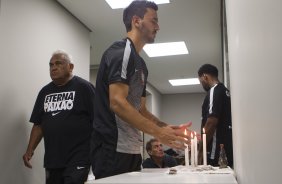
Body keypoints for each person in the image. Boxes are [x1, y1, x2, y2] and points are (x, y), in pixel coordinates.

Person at [91, 0, 191, 179]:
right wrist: (158, 133)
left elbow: (141, 109)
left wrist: (165, 127)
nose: (158, 27)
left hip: (132, 149)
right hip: (111, 149)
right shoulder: (121, 52)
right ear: (136, 21)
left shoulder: (142, 64)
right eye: (154, 20)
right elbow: (117, 102)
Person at [22, 50, 95, 184]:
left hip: (79, 157)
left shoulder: (84, 88)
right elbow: (38, 125)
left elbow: (98, 121)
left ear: (70, 67)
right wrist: (29, 150)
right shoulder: (44, 92)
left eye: (58, 63)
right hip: (53, 160)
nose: (53, 67)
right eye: (50, 65)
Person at [197, 64, 233, 167]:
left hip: (215, 152)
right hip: (225, 151)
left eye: (200, 81)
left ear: (205, 77)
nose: (201, 84)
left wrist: (200, 150)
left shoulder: (214, 90)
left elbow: (211, 122)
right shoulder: (225, 91)